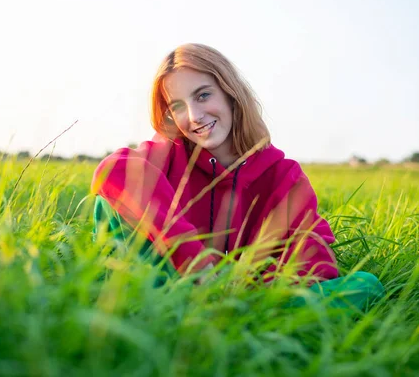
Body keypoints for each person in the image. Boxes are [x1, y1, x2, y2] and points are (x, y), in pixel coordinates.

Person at [91, 43, 383, 311]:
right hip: (170, 291)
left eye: (203, 95)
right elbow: (112, 171)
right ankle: (158, 317)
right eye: (178, 106)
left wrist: (240, 291)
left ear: (230, 93)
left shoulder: (283, 175)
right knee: (112, 201)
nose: (194, 116)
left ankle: (237, 320)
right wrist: (198, 264)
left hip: (248, 301)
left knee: (366, 286)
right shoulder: (167, 154)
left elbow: (314, 258)